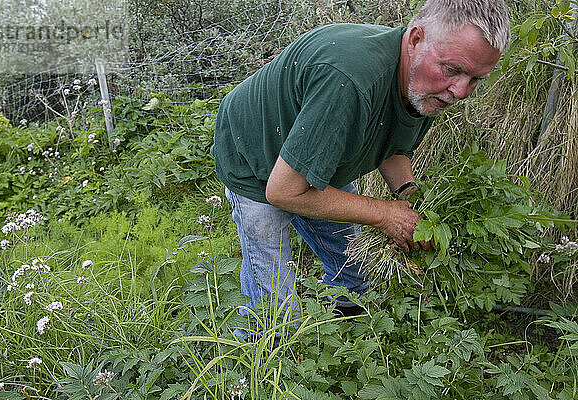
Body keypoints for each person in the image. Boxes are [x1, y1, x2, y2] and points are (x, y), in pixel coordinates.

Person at [211, 0, 510, 322]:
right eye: (452, 70)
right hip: (256, 155)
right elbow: (283, 191)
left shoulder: (426, 81)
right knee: (275, 304)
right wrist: (384, 214)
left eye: (476, 79)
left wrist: (409, 197)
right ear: (415, 39)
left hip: (320, 151)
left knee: (355, 269)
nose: (461, 91)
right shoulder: (351, 80)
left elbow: (393, 144)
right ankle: (265, 353)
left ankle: (344, 325)